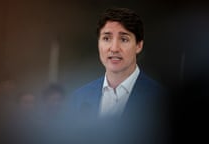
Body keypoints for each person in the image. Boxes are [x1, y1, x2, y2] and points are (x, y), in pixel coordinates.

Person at [64, 7, 170, 144]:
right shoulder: (78, 98)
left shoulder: (161, 101)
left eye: (124, 39)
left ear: (139, 45)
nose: (114, 48)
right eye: (106, 38)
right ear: (98, 43)